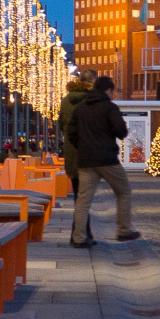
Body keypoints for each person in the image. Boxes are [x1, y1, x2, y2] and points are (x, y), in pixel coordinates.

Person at [67, 77, 139, 248]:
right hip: (107, 160)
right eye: (113, 92)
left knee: (83, 200)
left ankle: (79, 237)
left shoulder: (80, 109)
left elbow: (71, 133)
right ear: (108, 90)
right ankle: (123, 230)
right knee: (123, 192)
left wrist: (83, 146)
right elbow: (121, 131)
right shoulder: (110, 107)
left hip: (85, 161)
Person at [58, 72, 96, 239]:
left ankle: (82, 231)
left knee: (78, 195)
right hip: (88, 152)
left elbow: (61, 124)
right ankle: (80, 233)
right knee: (85, 197)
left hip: (71, 152)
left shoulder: (66, 100)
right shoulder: (91, 101)